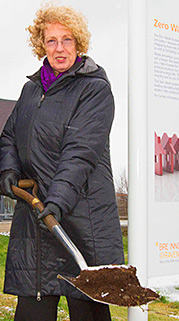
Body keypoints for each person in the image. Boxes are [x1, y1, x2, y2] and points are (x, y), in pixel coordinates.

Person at [0, 4, 124, 321]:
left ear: (78, 43)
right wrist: (9, 170)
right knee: (32, 312)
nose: (59, 48)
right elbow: (9, 137)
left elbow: (80, 152)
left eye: (67, 40)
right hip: (37, 224)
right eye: (51, 40)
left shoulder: (94, 89)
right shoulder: (30, 90)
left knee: (88, 311)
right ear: (41, 45)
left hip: (83, 225)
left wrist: (57, 201)